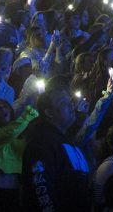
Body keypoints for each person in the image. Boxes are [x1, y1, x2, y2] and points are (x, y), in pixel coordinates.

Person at [21, 84, 94, 212]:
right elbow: (40, 189)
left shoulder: (67, 141)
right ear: (49, 112)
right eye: (63, 103)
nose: (71, 106)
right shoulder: (41, 143)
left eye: (70, 101)